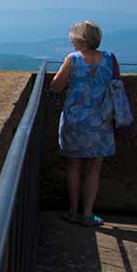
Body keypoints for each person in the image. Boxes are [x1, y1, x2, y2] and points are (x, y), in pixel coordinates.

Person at [49, 21, 115, 227]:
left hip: (74, 121)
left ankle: (73, 211)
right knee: (94, 167)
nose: (70, 41)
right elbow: (117, 85)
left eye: (73, 37)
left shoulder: (73, 59)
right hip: (101, 121)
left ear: (81, 39)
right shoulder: (110, 59)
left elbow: (55, 87)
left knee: (74, 166)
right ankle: (87, 213)